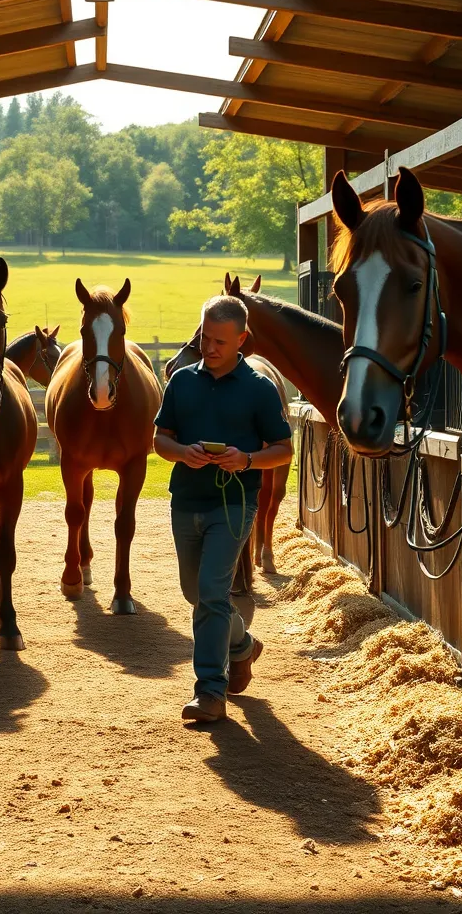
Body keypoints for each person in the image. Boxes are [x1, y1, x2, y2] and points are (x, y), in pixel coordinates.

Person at [154, 295, 293, 723]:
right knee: (196, 594)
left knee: (213, 593)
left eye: (219, 342)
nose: (209, 348)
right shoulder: (181, 382)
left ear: (242, 341)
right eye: (205, 338)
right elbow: (160, 441)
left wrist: (246, 459)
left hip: (233, 507)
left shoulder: (259, 389)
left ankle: (210, 692)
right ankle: (242, 645)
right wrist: (183, 453)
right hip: (186, 502)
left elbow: (284, 450)